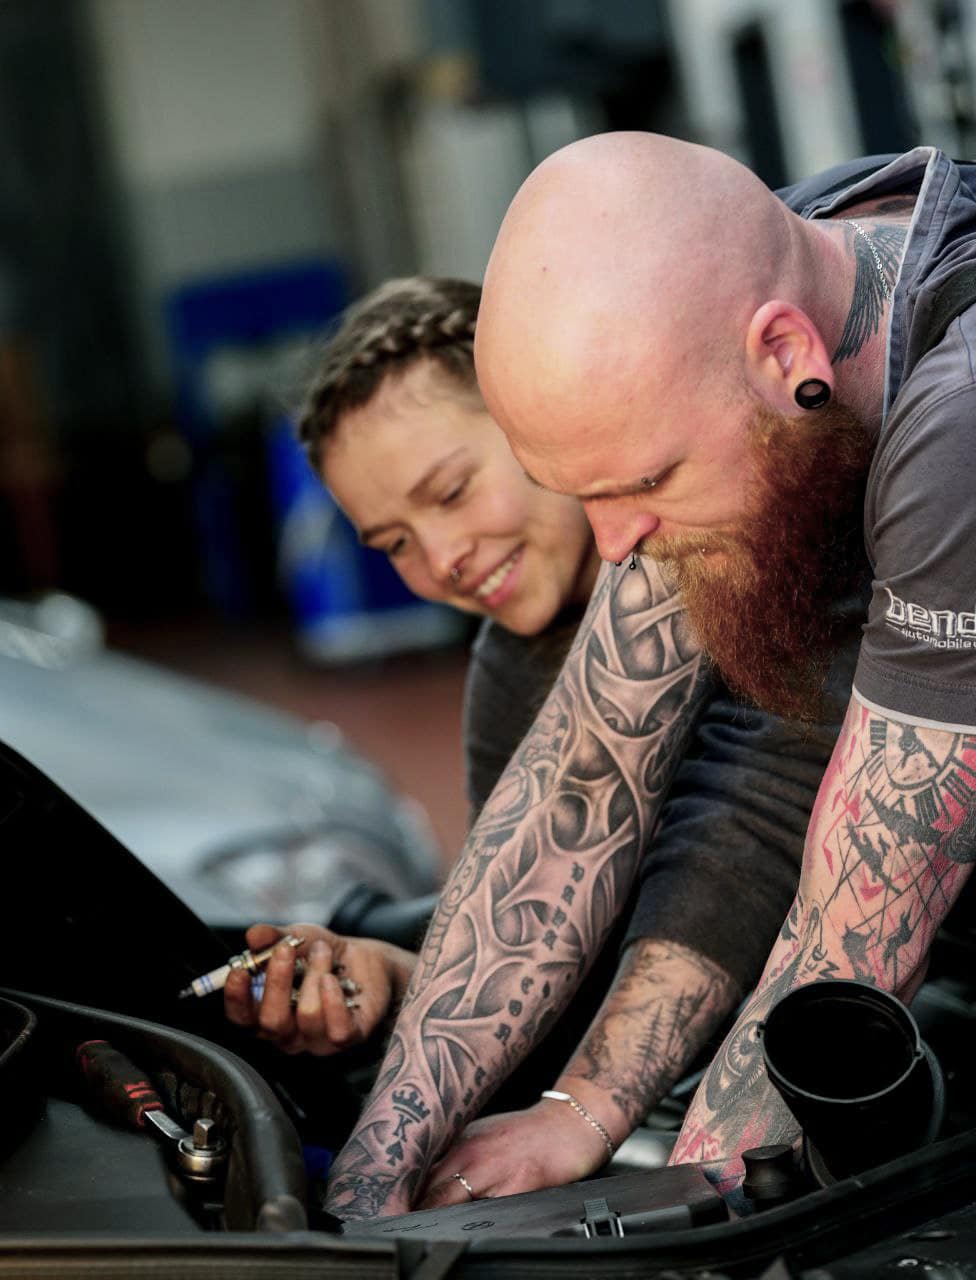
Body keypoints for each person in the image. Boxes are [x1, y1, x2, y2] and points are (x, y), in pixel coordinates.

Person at [321, 136, 976, 1220]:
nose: (616, 546)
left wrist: (658, 1233)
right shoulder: (774, 282)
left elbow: (850, 939)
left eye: (642, 479)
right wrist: (365, 1189)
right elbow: (586, 781)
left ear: (783, 350)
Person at [223, 276, 859, 1207]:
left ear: (540, 420)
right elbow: (546, 923)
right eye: (393, 542)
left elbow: (748, 838)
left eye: (450, 491)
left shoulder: (721, 548)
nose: (440, 559)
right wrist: (398, 979)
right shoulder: (507, 667)